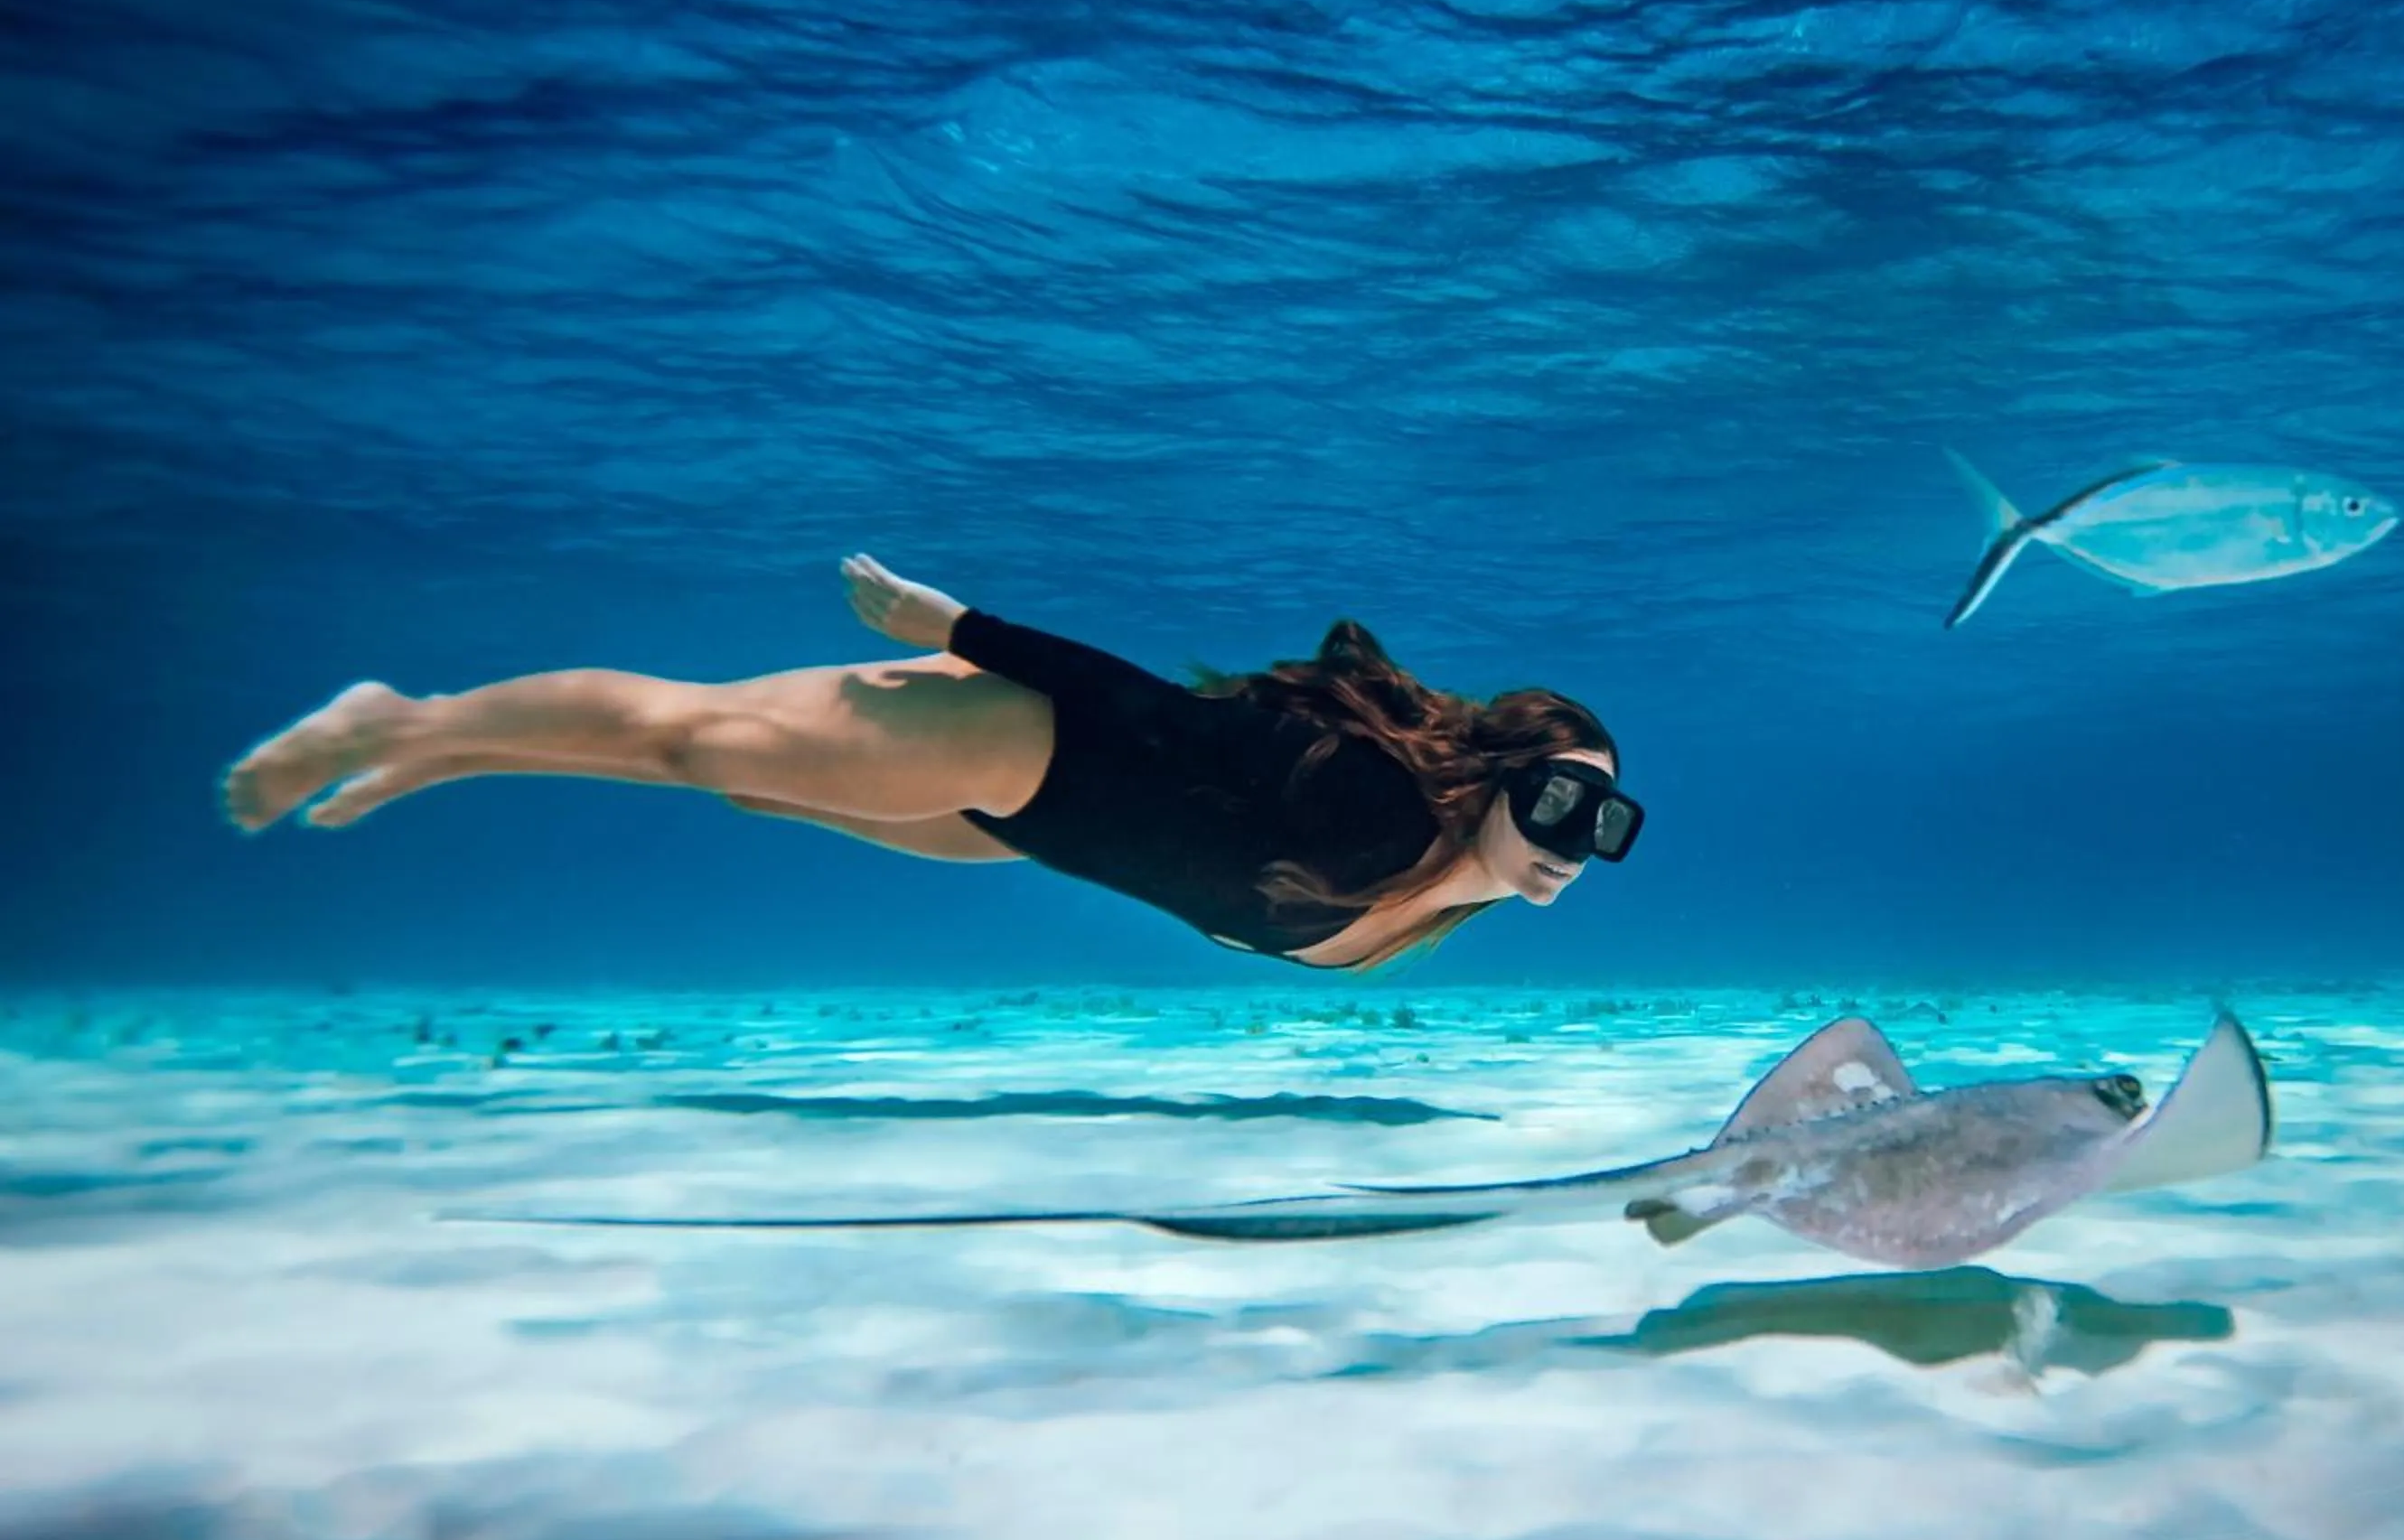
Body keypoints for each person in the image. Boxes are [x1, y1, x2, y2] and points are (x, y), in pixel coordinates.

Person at [221, 555, 1643, 971]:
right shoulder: (1372, 798)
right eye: (1564, 798)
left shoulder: (1438, 894)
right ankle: (406, 721)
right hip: (1017, 738)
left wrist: (1519, 877)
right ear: (1498, 772)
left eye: (1604, 823)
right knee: (686, 731)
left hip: (1023, 824)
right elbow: (1160, 721)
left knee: (739, 780)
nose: (1574, 837)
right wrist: (960, 626)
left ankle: (447, 755)